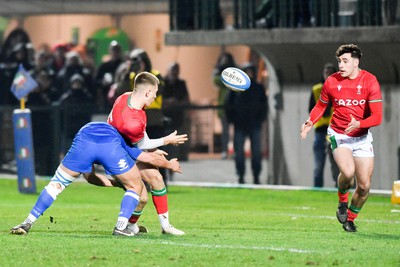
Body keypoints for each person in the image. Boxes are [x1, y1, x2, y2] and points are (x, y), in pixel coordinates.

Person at [10, 121, 182, 237]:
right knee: (135, 186)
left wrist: (116, 183)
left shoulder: (95, 131)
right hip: (109, 144)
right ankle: (121, 227)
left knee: (56, 185)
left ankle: (27, 222)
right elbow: (147, 158)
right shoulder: (121, 139)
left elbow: (90, 177)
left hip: (83, 139)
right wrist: (169, 165)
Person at [300, 44, 383, 232]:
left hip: (362, 137)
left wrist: (359, 124)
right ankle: (342, 201)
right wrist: (310, 122)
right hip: (339, 134)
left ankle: (350, 219)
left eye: (345, 61)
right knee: (347, 173)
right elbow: (321, 106)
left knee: (364, 186)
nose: (341, 65)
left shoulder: (370, 81)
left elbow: (377, 117)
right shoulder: (332, 81)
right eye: (339, 61)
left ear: (356, 62)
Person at [108, 71, 188, 235]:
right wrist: (166, 140)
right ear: (147, 92)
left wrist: (153, 148)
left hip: (127, 148)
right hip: (115, 155)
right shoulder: (131, 121)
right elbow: (141, 142)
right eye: (155, 93)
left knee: (157, 178)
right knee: (142, 198)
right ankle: (125, 226)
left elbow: (139, 137)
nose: (156, 97)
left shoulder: (126, 98)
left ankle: (166, 226)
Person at [225, 63, 268, 184]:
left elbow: (263, 105)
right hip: (240, 123)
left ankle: (256, 175)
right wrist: (232, 120)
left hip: (254, 123)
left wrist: (260, 119)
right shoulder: (236, 88)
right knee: (239, 152)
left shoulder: (258, 87)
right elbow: (228, 105)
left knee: (256, 151)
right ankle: (241, 175)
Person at [309, 63, 340, 187]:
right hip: (321, 130)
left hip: (335, 130)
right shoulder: (316, 89)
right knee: (318, 163)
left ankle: (338, 186)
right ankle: (318, 186)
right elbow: (310, 110)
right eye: (326, 72)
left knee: (336, 163)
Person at [163, 62, 191, 168]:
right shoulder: (162, 83)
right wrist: (169, 102)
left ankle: (173, 165)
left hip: (177, 118)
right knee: (165, 146)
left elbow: (186, 100)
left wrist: (176, 103)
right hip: (164, 119)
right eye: (172, 70)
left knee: (175, 146)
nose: (174, 72)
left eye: (176, 70)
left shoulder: (181, 84)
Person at [213, 52, 236, 159]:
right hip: (224, 105)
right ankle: (225, 150)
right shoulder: (219, 73)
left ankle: (235, 150)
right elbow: (216, 80)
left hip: (235, 105)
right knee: (225, 130)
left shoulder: (235, 71)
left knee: (236, 130)